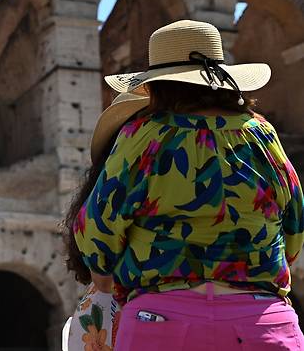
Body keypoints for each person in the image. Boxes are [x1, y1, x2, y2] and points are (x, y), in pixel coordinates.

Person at [74, 20, 304, 350]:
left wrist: (104, 279)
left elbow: (96, 231)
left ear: (158, 86)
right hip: (263, 323)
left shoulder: (143, 136)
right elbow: (294, 227)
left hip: (161, 324)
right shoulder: (261, 134)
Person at [61, 92, 148, 351]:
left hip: (115, 316)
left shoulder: (133, 149)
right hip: (256, 315)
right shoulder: (256, 135)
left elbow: (101, 272)